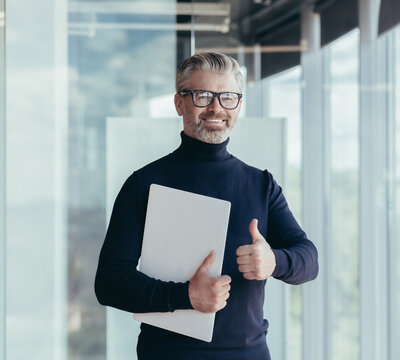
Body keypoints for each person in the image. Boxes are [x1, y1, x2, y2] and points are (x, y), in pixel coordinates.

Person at [94, 52, 319, 359]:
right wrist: (185, 295)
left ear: (238, 105)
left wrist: (274, 262)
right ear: (179, 103)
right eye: (203, 96)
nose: (216, 108)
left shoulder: (261, 185)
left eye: (228, 97)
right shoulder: (143, 184)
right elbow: (109, 283)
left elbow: (309, 260)